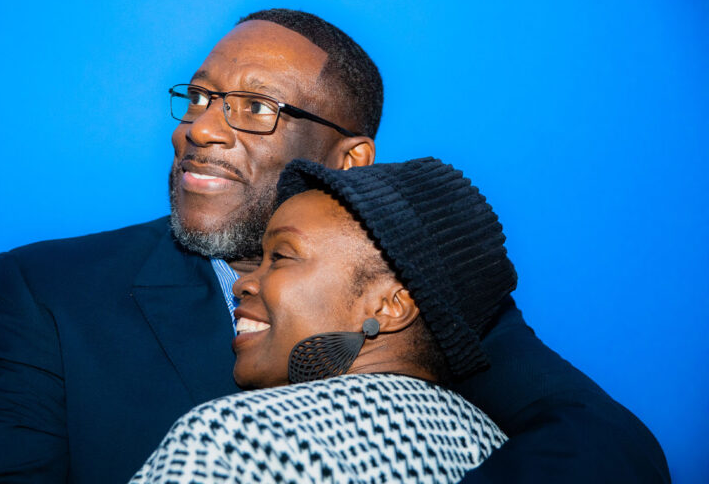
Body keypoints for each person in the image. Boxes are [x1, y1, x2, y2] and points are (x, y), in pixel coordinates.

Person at [0, 9, 670, 483]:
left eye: (255, 108)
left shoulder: (421, 288)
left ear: (349, 160)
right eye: (197, 97)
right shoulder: (51, 288)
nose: (200, 128)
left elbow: (608, 447)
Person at [131, 157, 515, 483]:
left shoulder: (242, 436)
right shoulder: (493, 447)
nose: (242, 284)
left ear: (389, 306)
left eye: (281, 256)